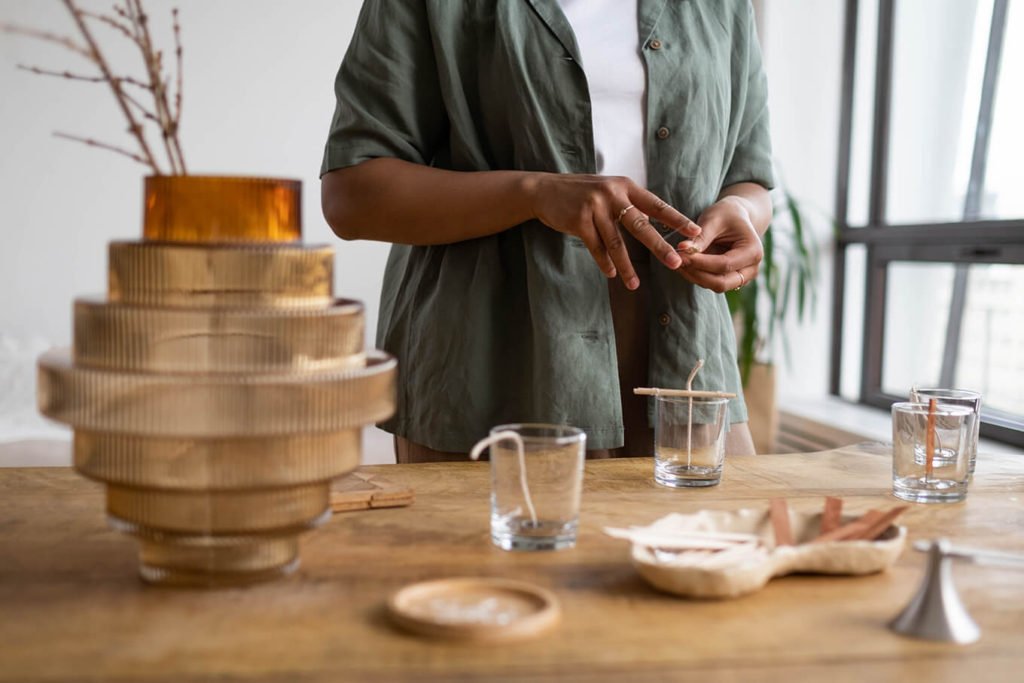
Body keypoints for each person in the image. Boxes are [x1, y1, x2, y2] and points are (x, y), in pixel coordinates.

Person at [320, 0, 774, 463]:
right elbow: (352, 196)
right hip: (494, 353)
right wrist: (535, 192)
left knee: (714, 533)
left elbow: (750, 176)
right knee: (505, 533)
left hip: (685, 353)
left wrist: (742, 210)